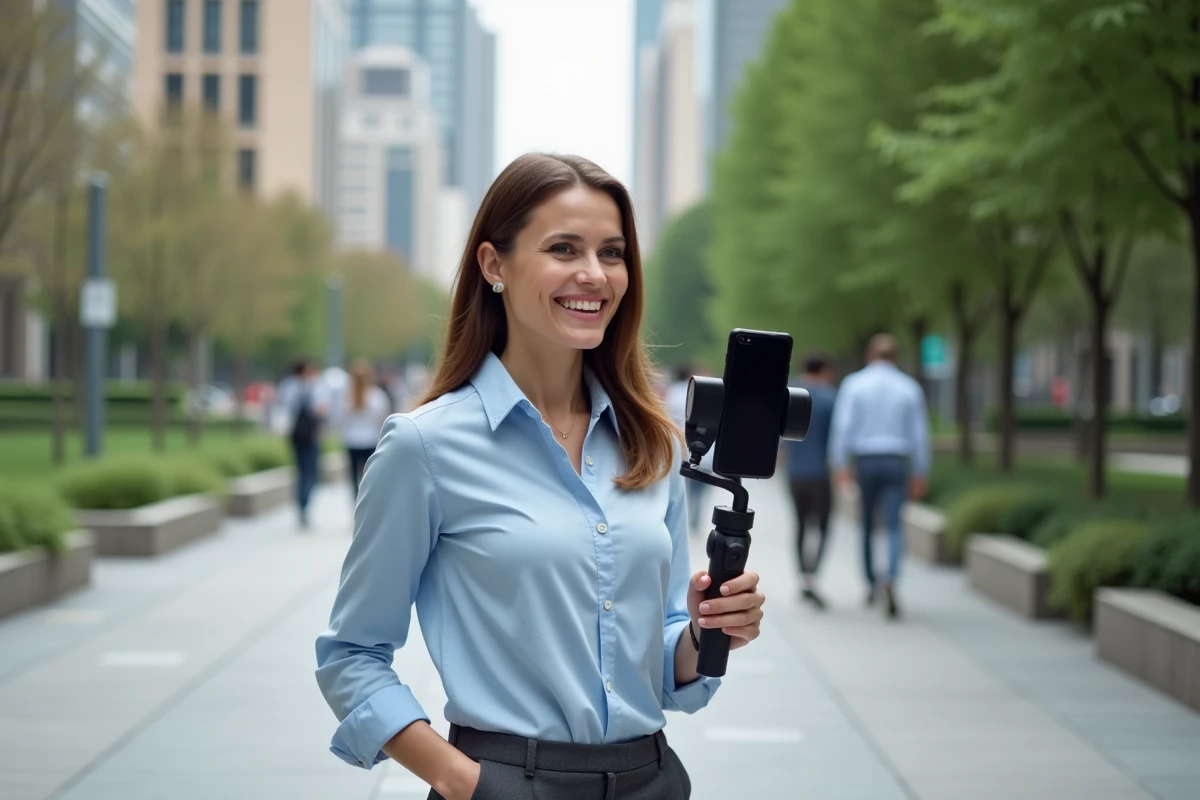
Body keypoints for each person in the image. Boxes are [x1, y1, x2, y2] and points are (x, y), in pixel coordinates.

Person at [314, 154, 767, 800]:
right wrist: (462, 780)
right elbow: (351, 656)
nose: (594, 274)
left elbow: (665, 666)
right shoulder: (426, 446)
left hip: (654, 782)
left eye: (612, 253)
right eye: (564, 248)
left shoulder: (652, 443)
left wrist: (706, 630)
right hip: (503, 785)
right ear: (494, 265)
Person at [829, 333, 931, 620]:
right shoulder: (909, 387)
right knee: (894, 524)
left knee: (867, 525)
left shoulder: (855, 384)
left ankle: (872, 583)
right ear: (896, 357)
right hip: (897, 460)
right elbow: (919, 433)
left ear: (870, 355)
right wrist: (920, 470)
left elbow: (843, 426)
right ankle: (892, 577)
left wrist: (840, 464)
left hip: (866, 460)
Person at [781, 351, 837, 610]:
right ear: (824, 370)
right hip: (820, 473)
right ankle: (813, 576)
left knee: (801, 524)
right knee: (823, 526)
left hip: (795, 472)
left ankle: (803, 577)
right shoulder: (829, 397)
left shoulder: (789, 392)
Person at [277, 358, 330, 529]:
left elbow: (283, 409)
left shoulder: (289, 386)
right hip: (305, 435)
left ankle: (302, 503)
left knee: (302, 470)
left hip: (298, 434)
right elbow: (320, 410)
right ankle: (303, 502)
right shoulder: (313, 386)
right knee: (309, 471)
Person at [335, 359, 392, 501]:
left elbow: (339, 420)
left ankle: (356, 501)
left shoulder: (346, 396)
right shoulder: (377, 396)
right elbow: (382, 420)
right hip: (371, 440)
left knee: (353, 475)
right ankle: (368, 501)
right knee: (369, 475)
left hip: (352, 440)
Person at [664, 364, 710, 533]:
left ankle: (684, 517)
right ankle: (694, 517)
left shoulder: (674, 392)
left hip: (679, 445)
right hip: (701, 449)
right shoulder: (708, 393)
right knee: (698, 486)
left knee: (682, 486)